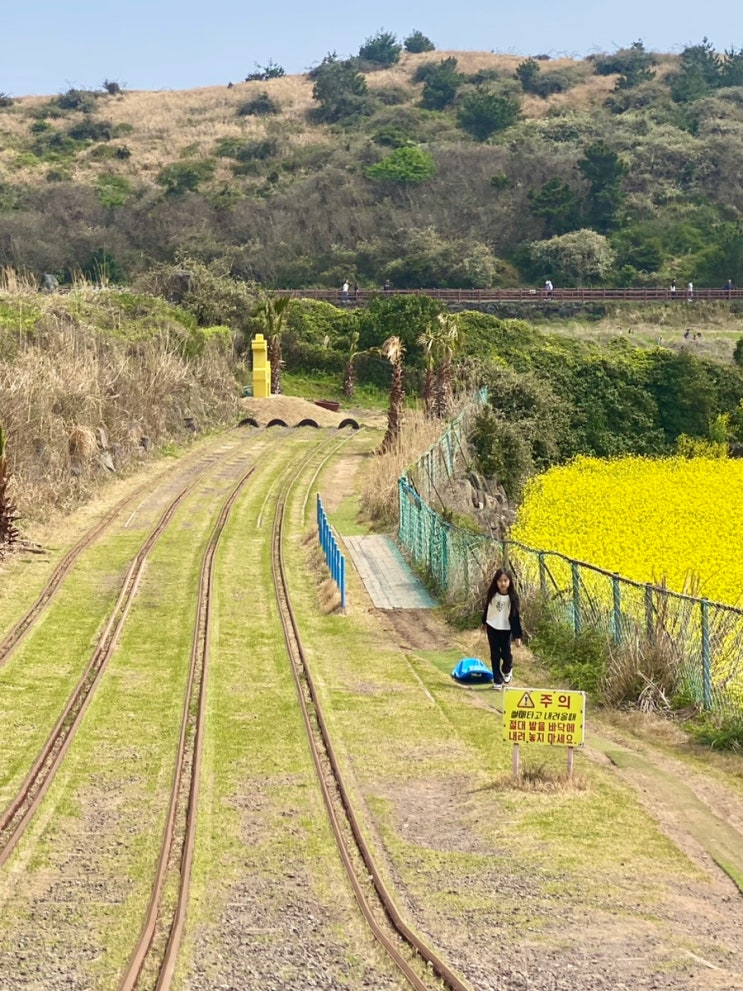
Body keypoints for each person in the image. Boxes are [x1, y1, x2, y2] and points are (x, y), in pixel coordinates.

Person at [481, 567, 522, 688]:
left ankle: (507, 669)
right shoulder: (492, 593)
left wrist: (517, 636)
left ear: (510, 582)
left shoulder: (513, 597)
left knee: (506, 653)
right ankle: (497, 680)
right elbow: (488, 608)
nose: (502, 583)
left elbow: (515, 616)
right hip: (492, 626)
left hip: (506, 628)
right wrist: (484, 622)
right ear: (496, 582)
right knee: (494, 653)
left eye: (505, 580)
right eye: (500, 581)